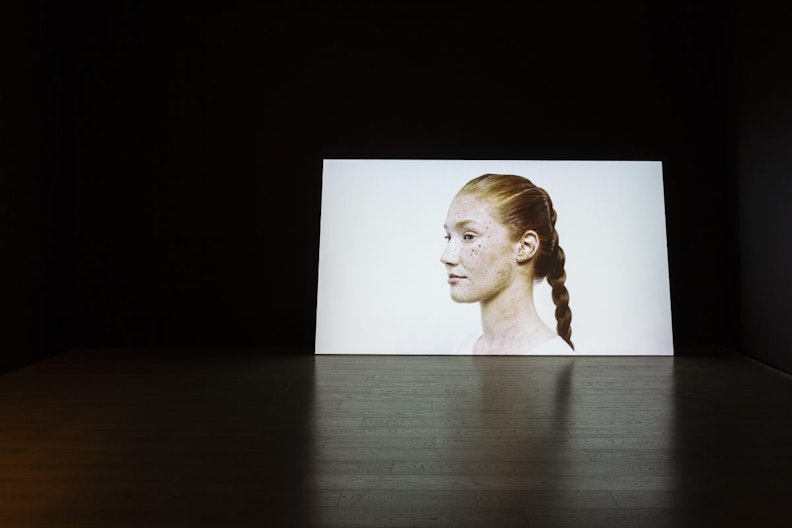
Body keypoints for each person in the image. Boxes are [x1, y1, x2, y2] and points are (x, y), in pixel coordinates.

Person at [441, 174, 574, 355]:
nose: (447, 256)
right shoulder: (462, 350)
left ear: (525, 247)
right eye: (448, 237)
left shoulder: (556, 363)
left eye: (469, 236)